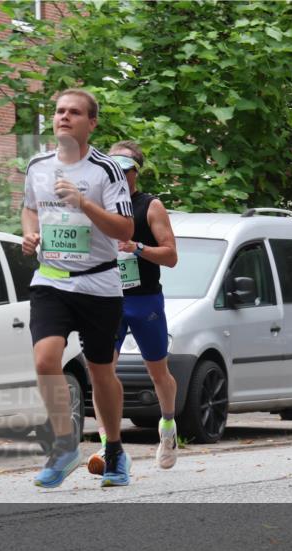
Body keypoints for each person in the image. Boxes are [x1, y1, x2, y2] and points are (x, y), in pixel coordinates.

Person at [21, 89, 134, 488]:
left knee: (101, 371)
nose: (64, 118)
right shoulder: (37, 165)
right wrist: (30, 234)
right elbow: (30, 207)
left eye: (74, 112)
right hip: (51, 279)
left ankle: (116, 450)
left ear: (92, 123)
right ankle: (65, 444)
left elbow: (125, 230)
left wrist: (84, 203)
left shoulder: (106, 170)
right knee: (45, 360)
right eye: (59, 112)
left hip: (98, 283)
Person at [89, 141, 180, 476]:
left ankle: (168, 426)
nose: (117, 176)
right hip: (108, 298)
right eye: (112, 168)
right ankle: (107, 444)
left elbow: (171, 256)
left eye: (124, 170)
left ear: (134, 173)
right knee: (101, 371)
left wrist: (138, 247)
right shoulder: (100, 206)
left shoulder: (150, 206)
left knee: (158, 371)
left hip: (145, 300)